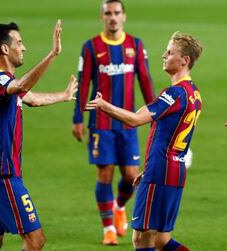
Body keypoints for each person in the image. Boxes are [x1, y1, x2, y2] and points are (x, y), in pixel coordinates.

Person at [85, 31, 203, 251]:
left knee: (141, 238)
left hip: (160, 171)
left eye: (170, 53)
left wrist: (104, 106)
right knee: (162, 239)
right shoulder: (194, 93)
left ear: (185, 60)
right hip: (175, 170)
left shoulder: (175, 93)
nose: (164, 56)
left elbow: (136, 119)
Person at [0, 21, 77, 251]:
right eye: (19, 43)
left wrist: (62, 95)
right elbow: (21, 87)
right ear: (5, 49)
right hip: (2, 173)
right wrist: (53, 54)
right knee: (35, 240)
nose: (24, 48)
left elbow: (32, 98)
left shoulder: (6, 84)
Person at [71, 0, 155, 245]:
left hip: (129, 122)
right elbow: (84, 82)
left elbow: (146, 80)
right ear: (102, 17)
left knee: (131, 176)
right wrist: (78, 118)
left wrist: (155, 112)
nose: (113, 17)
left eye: (117, 13)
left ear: (124, 16)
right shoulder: (91, 47)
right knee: (105, 173)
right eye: (108, 13)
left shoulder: (136, 45)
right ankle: (108, 227)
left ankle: (119, 207)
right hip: (101, 124)